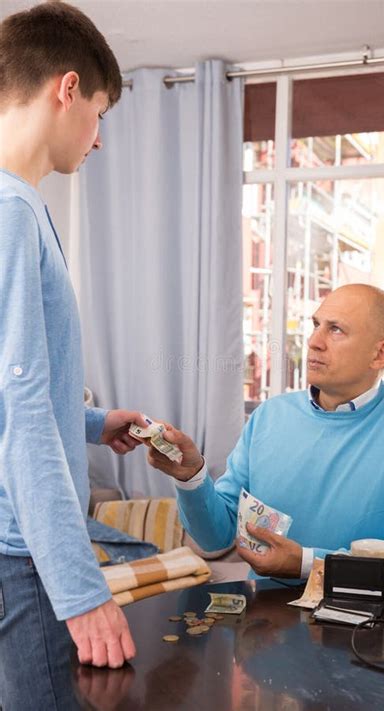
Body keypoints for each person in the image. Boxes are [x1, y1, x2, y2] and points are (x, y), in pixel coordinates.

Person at [0, 2, 147, 706]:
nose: (96, 139)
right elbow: (21, 416)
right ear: (66, 89)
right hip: (22, 554)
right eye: (98, 112)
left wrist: (94, 421)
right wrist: (80, 589)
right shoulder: (13, 213)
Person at [147, 284, 384, 587]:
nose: (314, 341)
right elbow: (215, 537)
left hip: (369, 626)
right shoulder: (269, 416)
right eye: (316, 325)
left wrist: (307, 563)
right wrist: (191, 476)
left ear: (380, 354)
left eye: (336, 329)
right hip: (267, 625)